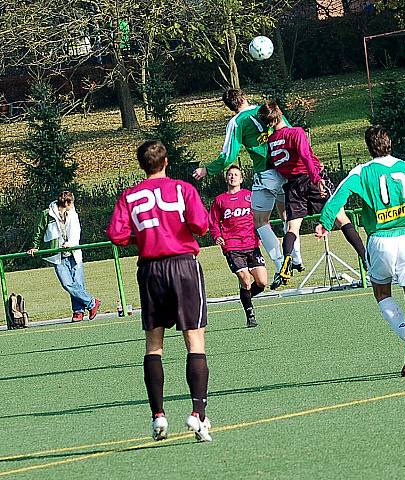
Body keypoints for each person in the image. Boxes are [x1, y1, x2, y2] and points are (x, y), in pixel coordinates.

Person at [107, 140, 212, 442]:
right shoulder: (183, 189)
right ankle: (198, 414)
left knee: (154, 345)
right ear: (166, 162)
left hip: (151, 270)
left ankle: (158, 417)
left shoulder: (130, 195)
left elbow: (116, 234)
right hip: (183, 265)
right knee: (194, 339)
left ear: (142, 166)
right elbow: (200, 225)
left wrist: (141, 238)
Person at [316, 125, 405, 376]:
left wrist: (324, 224)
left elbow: (336, 199)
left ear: (369, 147)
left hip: (380, 240)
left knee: (382, 293)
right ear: (390, 143)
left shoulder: (362, 172)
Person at [192, 88, 304, 276]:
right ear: (244, 97)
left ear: (229, 107)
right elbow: (289, 131)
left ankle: (280, 265)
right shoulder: (266, 109)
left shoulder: (237, 122)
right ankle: (296, 258)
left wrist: (207, 170)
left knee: (260, 221)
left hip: (267, 173)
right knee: (286, 215)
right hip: (286, 169)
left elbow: (228, 156)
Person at [258, 100, 367, 289]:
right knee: (341, 219)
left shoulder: (271, 141)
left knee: (292, 228)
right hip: (310, 180)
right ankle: (366, 259)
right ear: (281, 113)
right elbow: (305, 156)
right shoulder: (296, 132)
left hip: (292, 186)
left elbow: (274, 165)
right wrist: (316, 177)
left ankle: (287, 261)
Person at [27, 191, 100, 322]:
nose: (73, 205)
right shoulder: (47, 214)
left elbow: (76, 231)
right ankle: (92, 302)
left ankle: (78, 312)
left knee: (77, 284)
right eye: (71, 203)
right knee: (67, 283)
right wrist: (34, 246)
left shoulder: (73, 214)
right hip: (57, 254)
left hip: (73, 252)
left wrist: (70, 244)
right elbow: (39, 231)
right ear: (66, 203)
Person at [209, 165, 267, 328]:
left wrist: (262, 235)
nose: (232, 177)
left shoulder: (250, 196)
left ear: (241, 179)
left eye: (236, 175)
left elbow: (260, 217)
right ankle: (250, 314)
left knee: (262, 282)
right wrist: (217, 236)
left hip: (251, 244)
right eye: (230, 175)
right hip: (232, 245)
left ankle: (245, 296)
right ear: (226, 178)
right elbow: (213, 222)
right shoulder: (219, 200)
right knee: (245, 279)